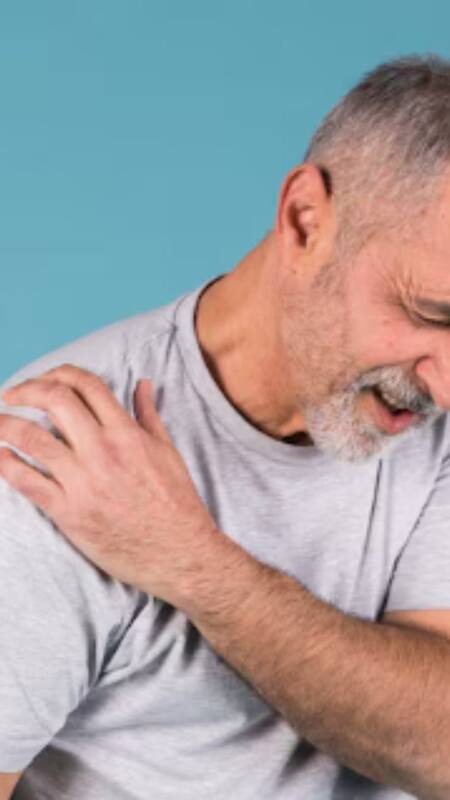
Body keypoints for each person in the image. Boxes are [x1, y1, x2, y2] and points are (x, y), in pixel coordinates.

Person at [0, 53, 450, 800]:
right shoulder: (52, 457)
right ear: (306, 222)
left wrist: (195, 566)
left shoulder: (428, 419)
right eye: (431, 313)